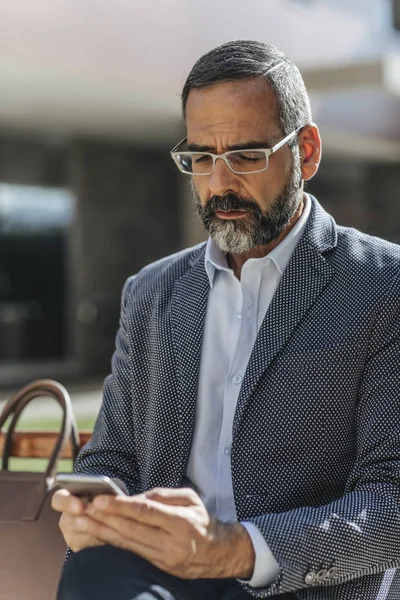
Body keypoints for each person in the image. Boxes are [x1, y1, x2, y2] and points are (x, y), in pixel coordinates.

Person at [52, 40, 400, 600]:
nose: (219, 184)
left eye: (246, 155)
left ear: (306, 153)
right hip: (155, 573)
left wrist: (234, 547)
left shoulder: (385, 285)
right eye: (201, 158)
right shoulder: (152, 291)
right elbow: (111, 454)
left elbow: (392, 501)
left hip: (302, 585)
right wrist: (99, 509)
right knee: (92, 575)